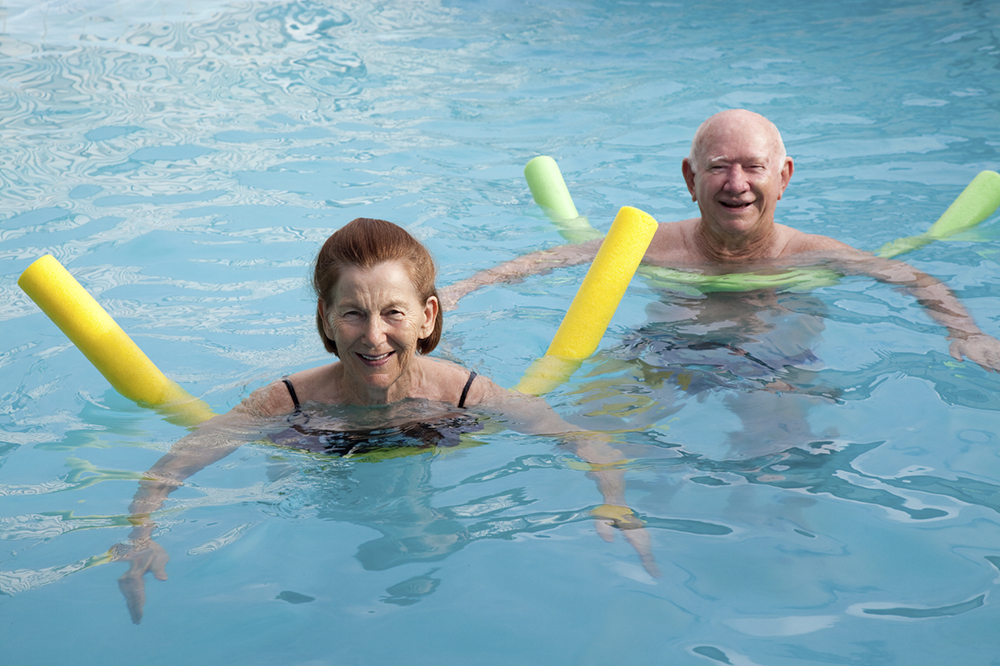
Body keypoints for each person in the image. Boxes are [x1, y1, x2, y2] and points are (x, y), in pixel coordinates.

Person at [113, 217, 657, 624]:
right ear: (326, 319)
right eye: (353, 313)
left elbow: (583, 440)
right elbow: (171, 468)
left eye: (394, 312)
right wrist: (141, 536)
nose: (374, 337)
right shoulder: (286, 404)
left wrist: (615, 502)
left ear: (427, 316)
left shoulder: (464, 395)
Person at [441, 109, 1000, 452]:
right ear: (691, 178)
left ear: (783, 177)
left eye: (754, 167)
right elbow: (546, 261)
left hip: (775, 365)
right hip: (663, 352)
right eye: (718, 167)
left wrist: (966, 331)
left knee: (784, 459)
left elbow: (913, 279)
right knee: (586, 436)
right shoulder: (655, 244)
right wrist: (458, 293)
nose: (737, 184)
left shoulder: (812, 253)